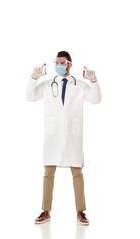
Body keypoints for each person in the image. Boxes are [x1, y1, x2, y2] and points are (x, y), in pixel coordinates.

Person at [26, 51, 102, 225]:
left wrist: (94, 81)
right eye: (56, 63)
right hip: (53, 136)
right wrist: (33, 77)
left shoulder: (80, 86)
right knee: (48, 173)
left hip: (72, 136)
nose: (58, 66)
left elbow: (96, 99)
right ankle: (46, 211)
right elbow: (29, 97)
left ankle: (80, 212)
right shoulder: (46, 85)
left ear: (69, 64)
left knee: (77, 173)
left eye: (62, 63)